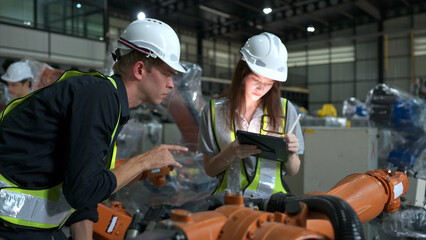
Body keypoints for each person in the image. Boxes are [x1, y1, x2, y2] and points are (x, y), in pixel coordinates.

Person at [0, 18, 188, 240]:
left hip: (28, 225)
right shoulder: (99, 97)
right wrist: (144, 161)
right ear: (139, 69)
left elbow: (82, 195)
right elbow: (83, 190)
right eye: (167, 73)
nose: (171, 84)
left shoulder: (109, 102)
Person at [198, 32, 304, 199]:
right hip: (229, 201)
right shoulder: (213, 111)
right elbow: (210, 170)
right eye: (256, 79)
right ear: (242, 73)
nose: (261, 88)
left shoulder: (285, 109)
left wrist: (290, 154)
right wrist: (230, 152)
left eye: (269, 83)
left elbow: (293, 170)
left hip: (273, 202)